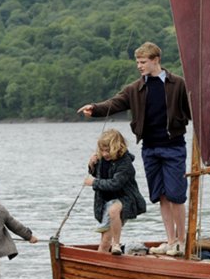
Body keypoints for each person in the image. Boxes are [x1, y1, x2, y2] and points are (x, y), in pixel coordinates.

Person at [78, 41, 191, 257]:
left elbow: (194, 110)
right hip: (150, 148)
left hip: (173, 147)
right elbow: (115, 103)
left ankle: (181, 242)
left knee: (176, 195)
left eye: (142, 62)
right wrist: (95, 109)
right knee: (161, 195)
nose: (139, 66)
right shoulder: (135, 89)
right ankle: (170, 241)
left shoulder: (178, 84)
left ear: (155, 60)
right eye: (137, 62)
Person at [84, 128, 146, 255]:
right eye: (102, 150)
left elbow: (115, 184)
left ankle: (116, 244)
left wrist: (94, 182)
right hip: (104, 202)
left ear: (118, 147)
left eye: (108, 151)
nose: (105, 154)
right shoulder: (103, 160)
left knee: (108, 233)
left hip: (125, 199)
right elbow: (98, 174)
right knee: (104, 240)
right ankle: (102, 264)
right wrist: (92, 165)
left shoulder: (125, 163)